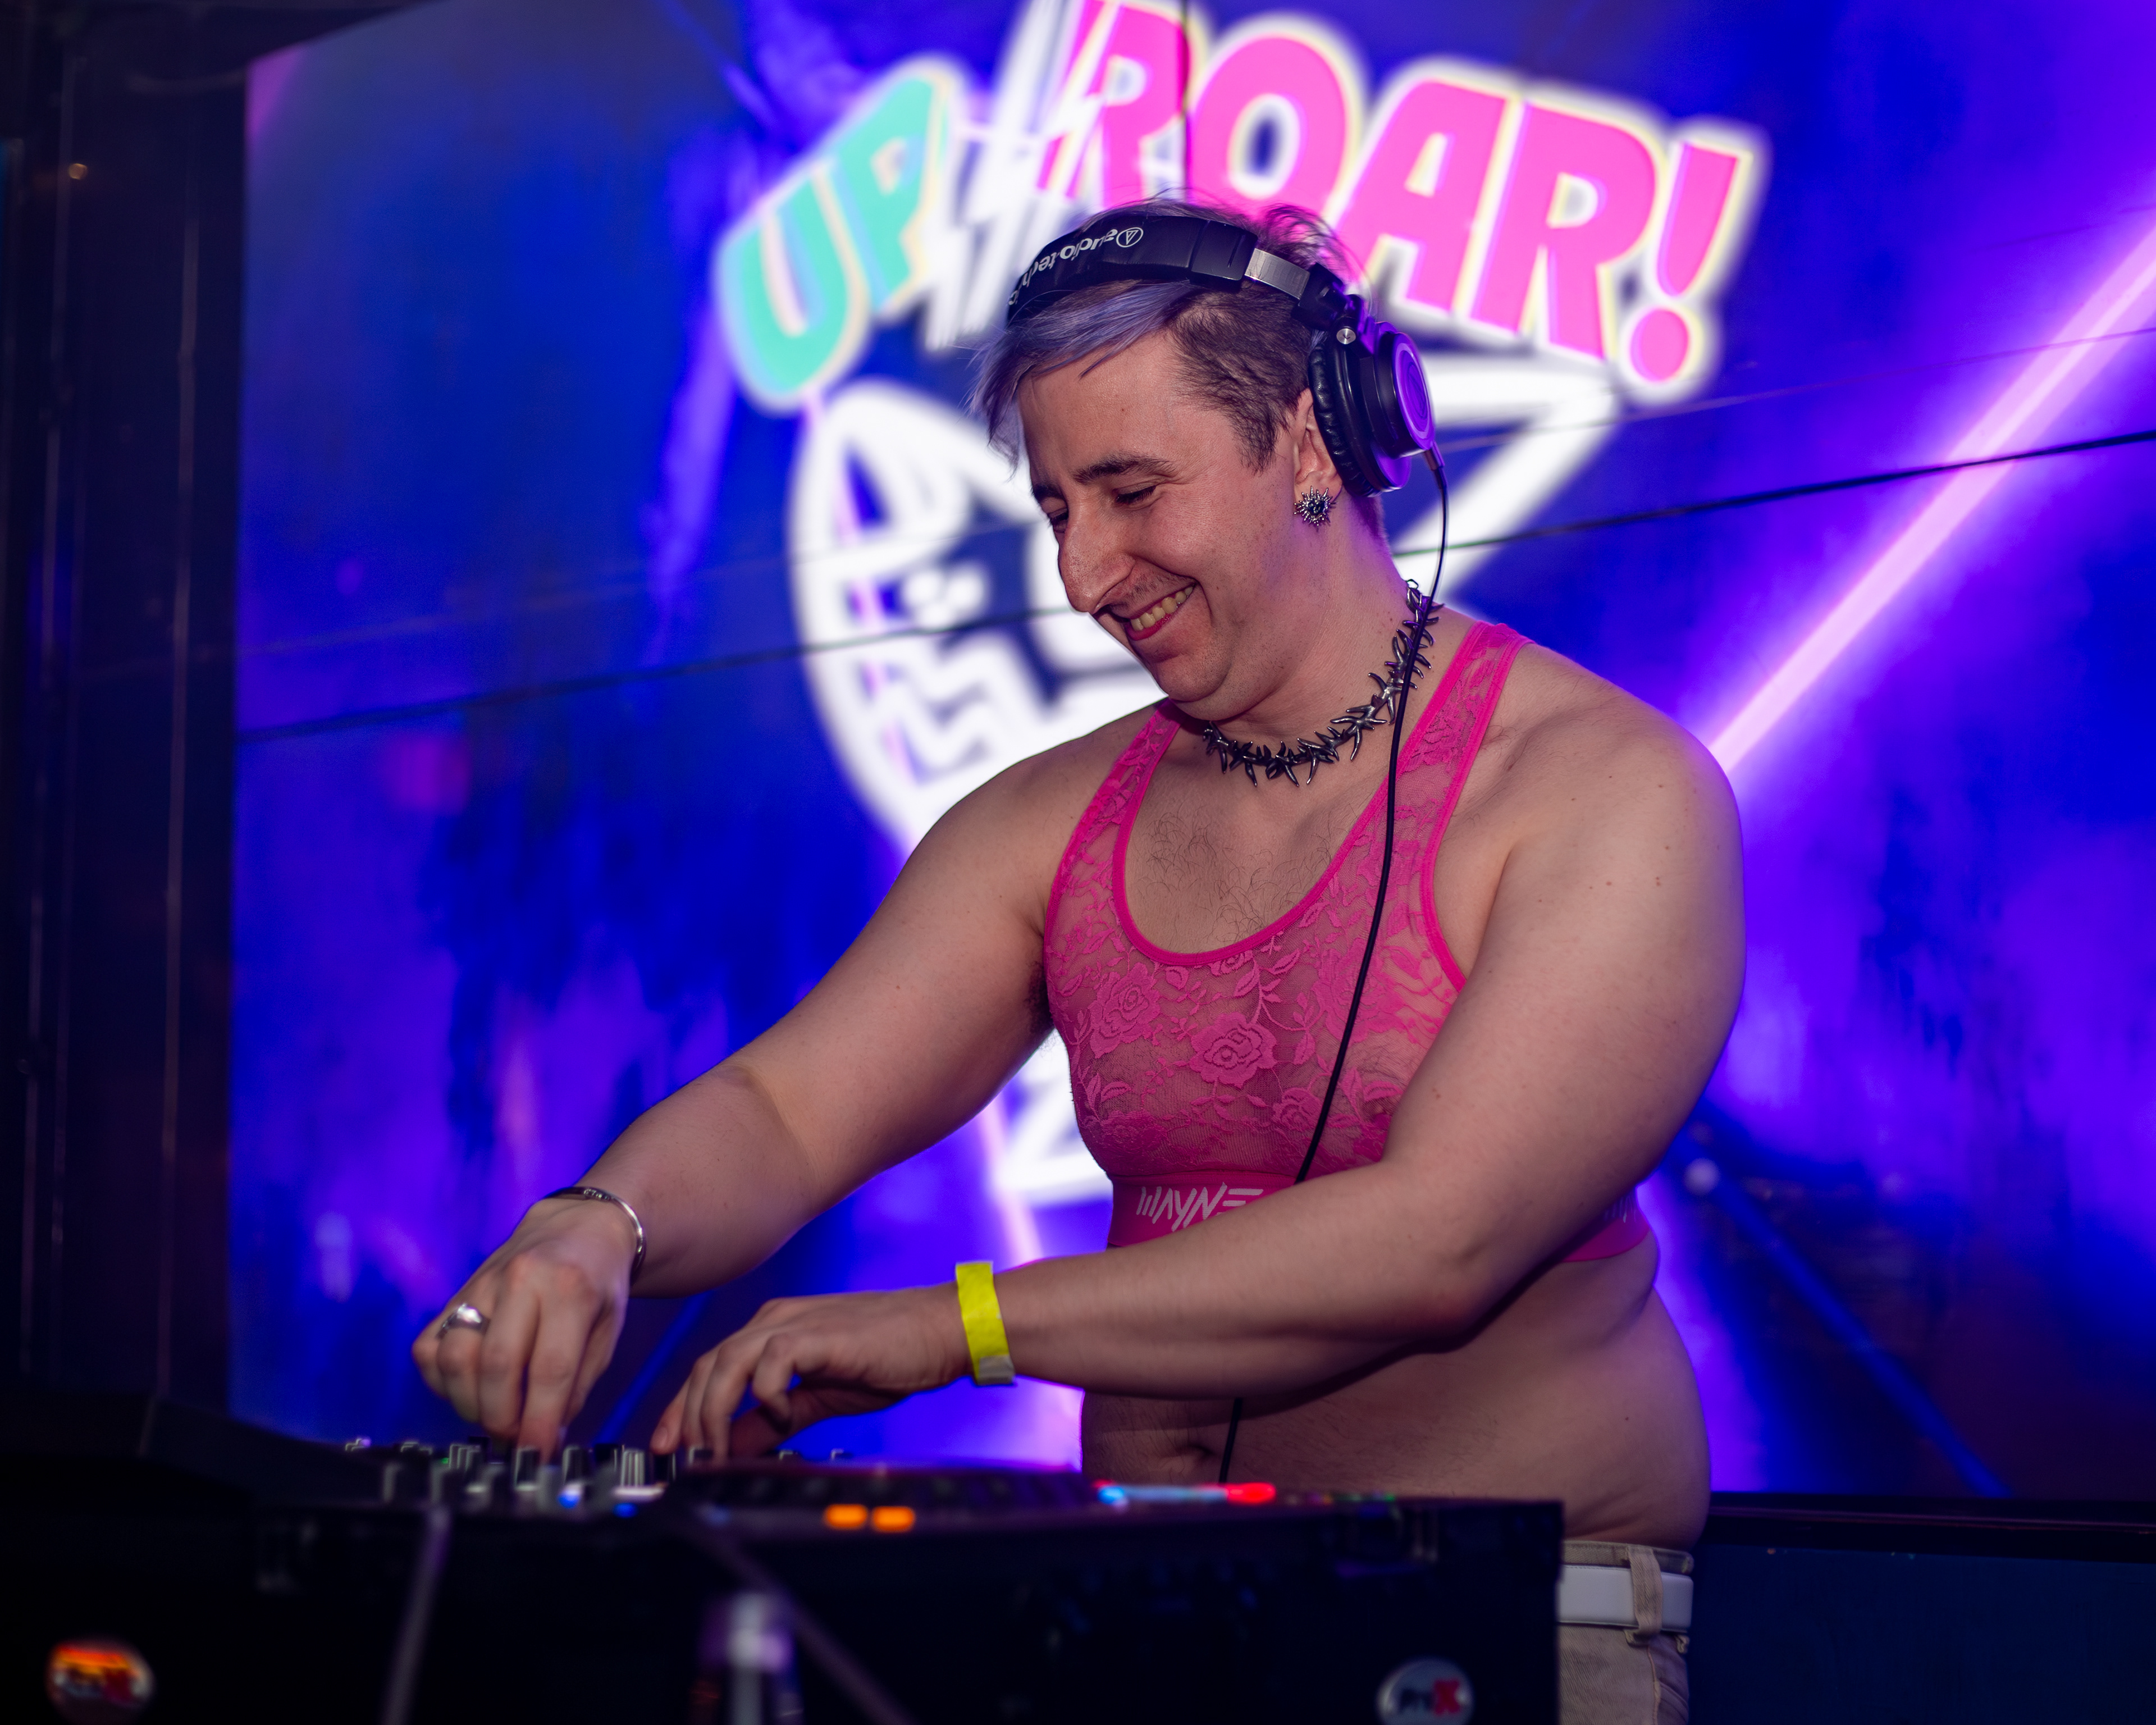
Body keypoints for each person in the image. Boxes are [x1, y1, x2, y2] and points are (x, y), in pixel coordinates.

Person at [414, 200, 1742, 1722]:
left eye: (1130, 491)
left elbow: (1441, 1241)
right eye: (1057, 509)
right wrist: (598, 1225)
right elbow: (788, 1110)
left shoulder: (1605, 794)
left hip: (1505, 1639)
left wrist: (959, 1327)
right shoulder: (1048, 827)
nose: (1085, 574)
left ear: (1317, 439)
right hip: (1139, 1629)